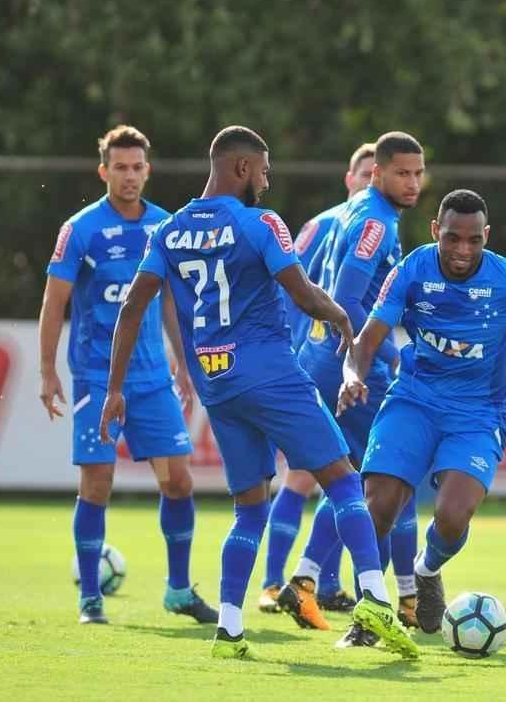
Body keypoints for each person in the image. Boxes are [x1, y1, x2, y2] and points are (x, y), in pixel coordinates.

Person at [100, 125, 418, 660]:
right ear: (242, 168)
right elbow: (302, 292)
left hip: (218, 385)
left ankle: (229, 630)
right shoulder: (261, 222)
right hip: (272, 374)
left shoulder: (169, 231)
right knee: (344, 480)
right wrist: (342, 319)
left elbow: (133, 308)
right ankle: (377, 601)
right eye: (264, 171)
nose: (267, 182)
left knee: (249, 509)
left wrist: (115, 388)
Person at [338, 188, 506, 643]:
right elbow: (367, 338)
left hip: (479, 411)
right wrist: (351, 375)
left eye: (473, 240)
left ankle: (426, 570)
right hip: (415, 399)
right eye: (452, 238)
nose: (463, 250)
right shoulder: (412, 270)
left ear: (486, 236)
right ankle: (368, 617)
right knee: (378, 505)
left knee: (452, 515)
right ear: (435, 232)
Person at [38, 124, 216, 626]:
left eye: (137, 167)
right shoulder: (81, 229)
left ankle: (178, 590)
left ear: (148, 170)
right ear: (104, 172)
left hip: (153, 379)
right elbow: (54, 301)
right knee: (97, 483)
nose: (130, 176)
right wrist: (47, 370)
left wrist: (183, 359)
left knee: (178, 481)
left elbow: (171, 303)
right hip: (97, 378)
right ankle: (90, 599)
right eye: (120, 167)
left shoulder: (165, 226)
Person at [286, 132, 425, 645]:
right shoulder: (375, 222)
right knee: (388, 481)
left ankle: (306, 579)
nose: (412, 183)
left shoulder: (356, 211)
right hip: (348, 366)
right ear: (378, 173)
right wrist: (388, 356)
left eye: (418, 173)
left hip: (323, 358)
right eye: (402, 173)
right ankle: (389, 602)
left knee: (352, 480)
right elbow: (346, 300)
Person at [258, 142, 380, 618]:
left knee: (344, 475)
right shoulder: (329, 224)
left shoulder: (366, 225)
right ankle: (275, 583)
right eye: (365, 174)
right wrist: (288, 349)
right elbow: (289, 286)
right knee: (308, 474)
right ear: (350, 179)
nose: (371, 183)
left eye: (376, 175)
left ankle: (324, 584)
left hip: (340, 361)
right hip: (318, 359)